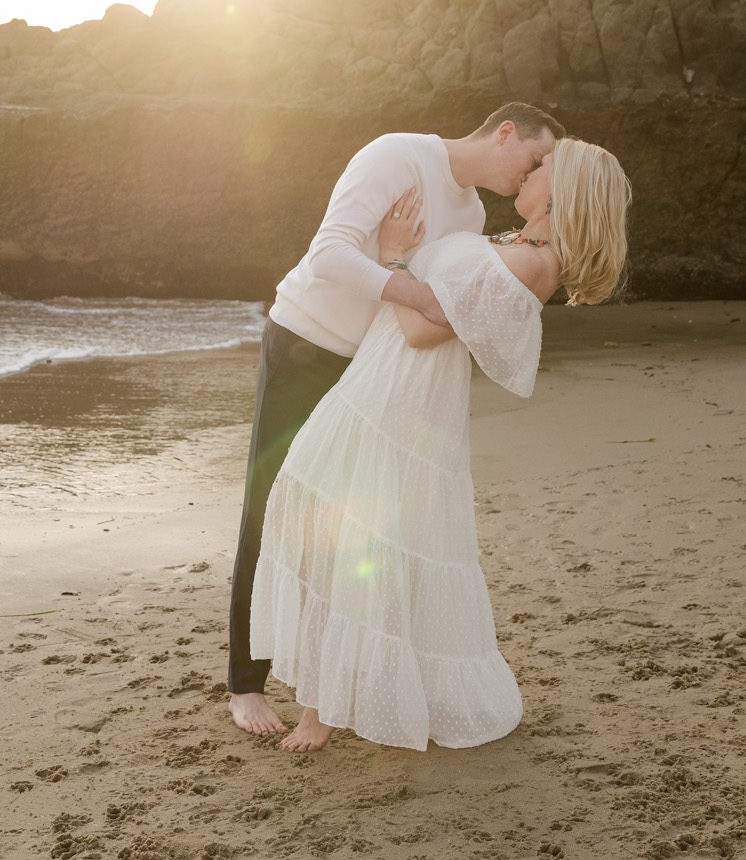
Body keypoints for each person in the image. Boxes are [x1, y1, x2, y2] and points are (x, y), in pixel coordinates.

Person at [247, 138, 632, 751]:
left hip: (400, 400)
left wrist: (395, 257)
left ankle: (319, 714)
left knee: (348, 537)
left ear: (564, 191)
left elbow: (423, 332)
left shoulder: (537, 263)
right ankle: (319, 706)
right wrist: (401, 264)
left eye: (543, 168)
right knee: (322, 524)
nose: (529, 174)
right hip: (372, 385)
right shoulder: (514, 243)